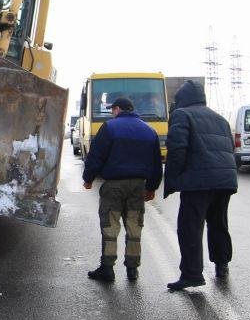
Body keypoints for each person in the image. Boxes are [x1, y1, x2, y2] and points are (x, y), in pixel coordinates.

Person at [162, 80, 238, 290]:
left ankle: (192, 274)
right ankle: (222, 266)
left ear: (182, 100)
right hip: (224, 181)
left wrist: (171, 181)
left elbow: (177, 148)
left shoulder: (182, 115)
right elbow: (229, 148)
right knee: (218, 223)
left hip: (198, 183)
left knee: (190, 228)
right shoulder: (220, 118)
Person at [82, 96, 163, 282]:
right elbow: (156, 164)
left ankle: (107, 269)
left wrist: (88, 179)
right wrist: (151, 188)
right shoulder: (149, 131)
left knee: (110, 226)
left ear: (117, 109)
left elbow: (96, 156)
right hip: (137, 186)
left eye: (112, 110)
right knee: (134, 226)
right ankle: (133, 270)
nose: (112, 113)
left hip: (114, 186)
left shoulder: (110, 127)